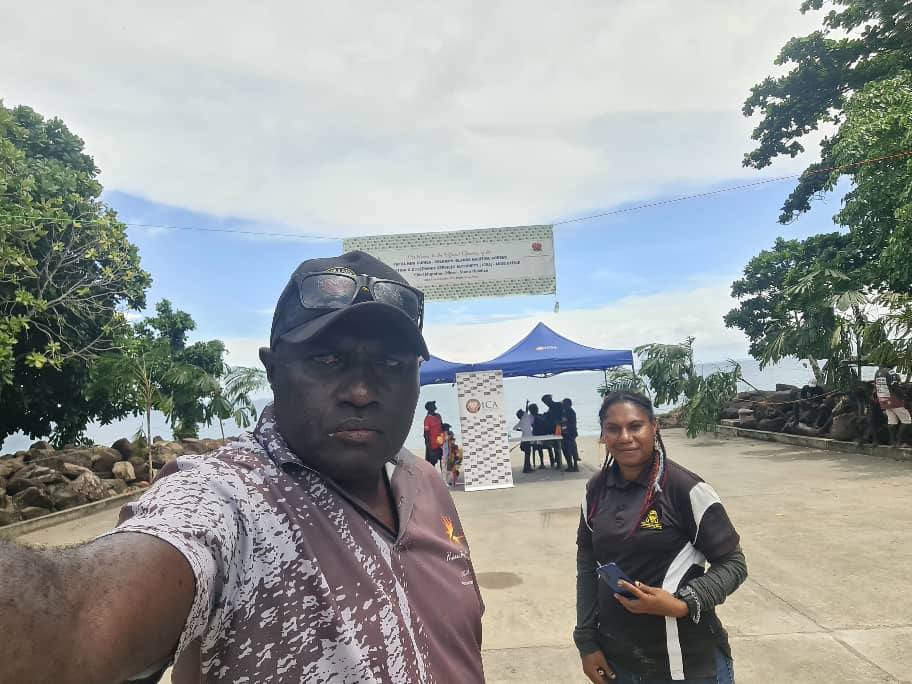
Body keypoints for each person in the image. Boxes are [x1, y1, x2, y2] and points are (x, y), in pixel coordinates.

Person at [0, 251, 486, 683]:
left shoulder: (423, 482)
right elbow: (78, 617)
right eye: (328, 359)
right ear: (273, 371)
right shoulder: (231, 498)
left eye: (392, 364)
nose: (361, 391)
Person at [575, 391, 747, 683]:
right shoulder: (595, 491)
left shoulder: (685, 488)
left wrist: (682, 603)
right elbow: (588, 568)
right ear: (603, 435)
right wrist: (586, 642)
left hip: (687, 665)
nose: (625, 437)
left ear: (654, 427)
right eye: (613, 429)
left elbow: (733, 563)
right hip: (620, 663)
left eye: (635, 426)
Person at [873, 365, 911, 446]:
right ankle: (900, 441)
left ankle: (892, 441)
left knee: (892, 422)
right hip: (894, 400)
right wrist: (903, 396)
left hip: (884, 400)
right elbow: (894, 386)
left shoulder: (877, 373)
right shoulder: (890, 372)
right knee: (907, 420)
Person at [541, 394, 564, 468]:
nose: (546, 403)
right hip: (554, 429)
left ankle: (559, 462)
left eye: (546, 401)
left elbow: (560, 417)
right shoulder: (552, 407)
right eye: (545, 402)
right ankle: (557, 461)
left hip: (558, 429)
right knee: (556, 447)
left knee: (557, 446)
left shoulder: (556, 405)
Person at [424, 399, 445, 467]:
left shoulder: (438, 416)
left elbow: (442, 427)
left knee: (443, 462)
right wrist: (430, 449)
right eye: (433, 405)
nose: (435, 406)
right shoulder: (427, 419)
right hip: (433, 446)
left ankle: (443, 476)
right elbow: (426, 435)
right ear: (429, 408)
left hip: (441, 444)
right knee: (432, 464)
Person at [514, 408, 535, 473]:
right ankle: (526, 469)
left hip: (523, 439)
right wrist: (527, 404)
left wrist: (521, 430)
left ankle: (527, 468)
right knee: (528, 454)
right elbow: (526, 411)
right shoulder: (525, 419)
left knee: (527, 454)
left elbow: (514, 428)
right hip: (527, 439)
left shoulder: (521, 422)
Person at [561, 397, 580, 472]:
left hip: (570, 433)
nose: (563, 405)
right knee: (568, 450)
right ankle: (571, 465)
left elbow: (571, 424)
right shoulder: (565, 412)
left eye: (564, 404)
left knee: (570, 450)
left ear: (568, 404)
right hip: (567, 433)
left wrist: (563, 427)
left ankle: (574, 466)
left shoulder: (571, 412)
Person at [528, 402, 547, 469]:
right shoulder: (540, 416)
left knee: (538, 447)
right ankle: (543, 463)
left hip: (538, 435)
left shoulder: (533, 417)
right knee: (538, 446)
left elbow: (530, 426)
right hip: (542, 435)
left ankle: (542, 463)